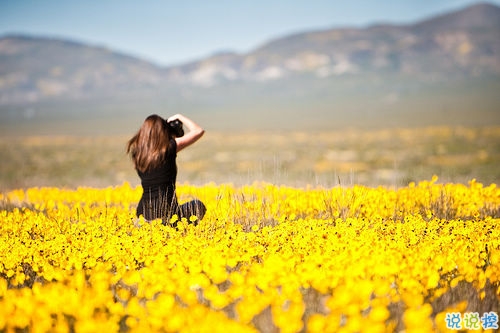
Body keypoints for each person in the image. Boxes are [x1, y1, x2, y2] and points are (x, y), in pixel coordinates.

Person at [127, 114, 206, 226]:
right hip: (167, 214)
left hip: (142, 215)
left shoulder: (137, 154)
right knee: (198, 206)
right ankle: (178, 234)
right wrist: (180, 116)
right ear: (162, 130)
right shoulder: (168, 149)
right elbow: (198, 131)